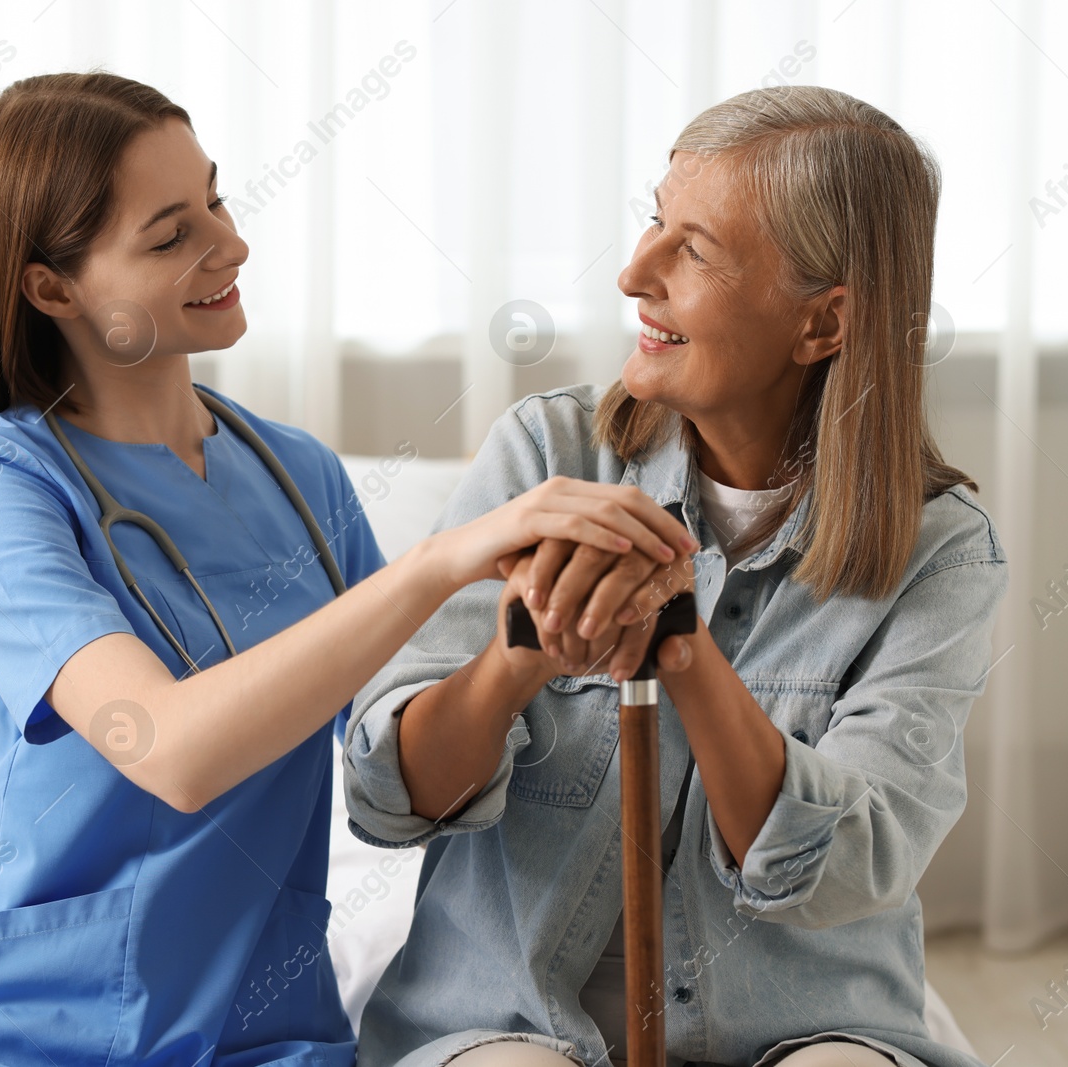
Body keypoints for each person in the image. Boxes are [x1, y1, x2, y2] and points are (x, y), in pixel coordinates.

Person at [0, 72, 695, 1067]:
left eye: (216, 201)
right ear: (52, 288)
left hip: (270, 1027)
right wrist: (440, 561)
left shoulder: (295, 472)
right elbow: (170, 749)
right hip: (38, 1024)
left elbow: (401, 750)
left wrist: (540, 635)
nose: (231, 245)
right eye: (170, 234)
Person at [342, 86, 1008, 1067]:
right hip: (505, 1012)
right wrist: (522, 654)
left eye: (692, 250)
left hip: (801, 1018)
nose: (632, 271)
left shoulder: (940, 551)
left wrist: (684, 654)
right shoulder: (544, 454)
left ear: (823, 323)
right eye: (654, 220)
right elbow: (389, 793)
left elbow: (851, 863)